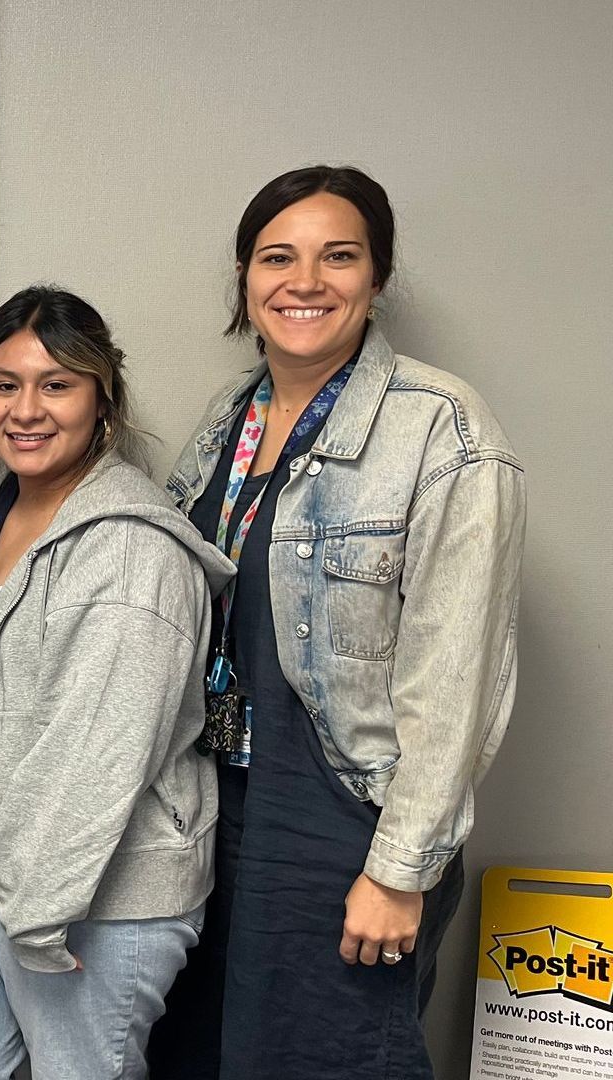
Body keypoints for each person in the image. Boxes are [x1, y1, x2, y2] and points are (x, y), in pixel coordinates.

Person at [147, 166, 525, 1079]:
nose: (305, 282)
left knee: (332, 1058)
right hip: (215, 809)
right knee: (199, 1055)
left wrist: (401, 869)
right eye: (279, 257)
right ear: (246, 280)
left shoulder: (445, 429)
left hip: (343, 818)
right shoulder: (225, 422)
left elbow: (456, 674)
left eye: (338, 256)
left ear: (377, 277)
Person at [0, 287, 233, 1080]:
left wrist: (38, 916)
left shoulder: (131, 550)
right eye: (3, 384)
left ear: (103, 403)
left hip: (94, 888)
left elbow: (102, 756)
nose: (26, 409)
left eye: (57, 385)